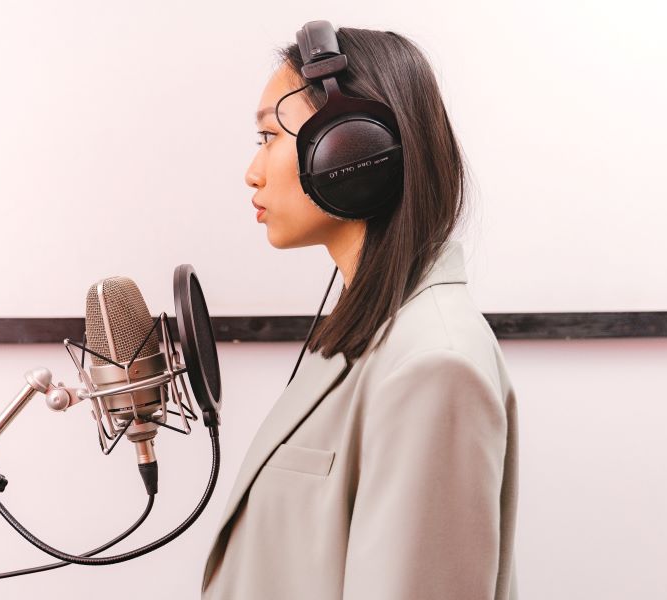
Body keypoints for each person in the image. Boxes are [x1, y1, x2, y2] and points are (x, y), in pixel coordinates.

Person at [200, 23, 519, 600]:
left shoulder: (432, 366)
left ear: (353, 153)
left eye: (268, 136)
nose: (253, 172)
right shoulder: (370, 335)